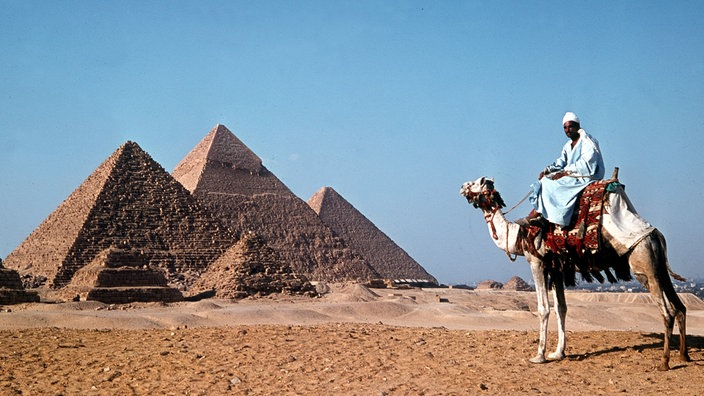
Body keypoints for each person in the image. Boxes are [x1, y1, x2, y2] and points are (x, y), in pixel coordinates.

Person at [519, 112, 605, 227]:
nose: (568, 130)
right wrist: (547, 171)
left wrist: (565, 173)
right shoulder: (568, 145)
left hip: (587, 175)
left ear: (577, 126)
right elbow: (561, 162)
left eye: (570, 126)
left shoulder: (587, 141)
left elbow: (587, 164)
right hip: (573, 174)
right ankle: (542, 213)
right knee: (544, 180)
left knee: (552, 184)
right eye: (565, 127)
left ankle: (555, 217)